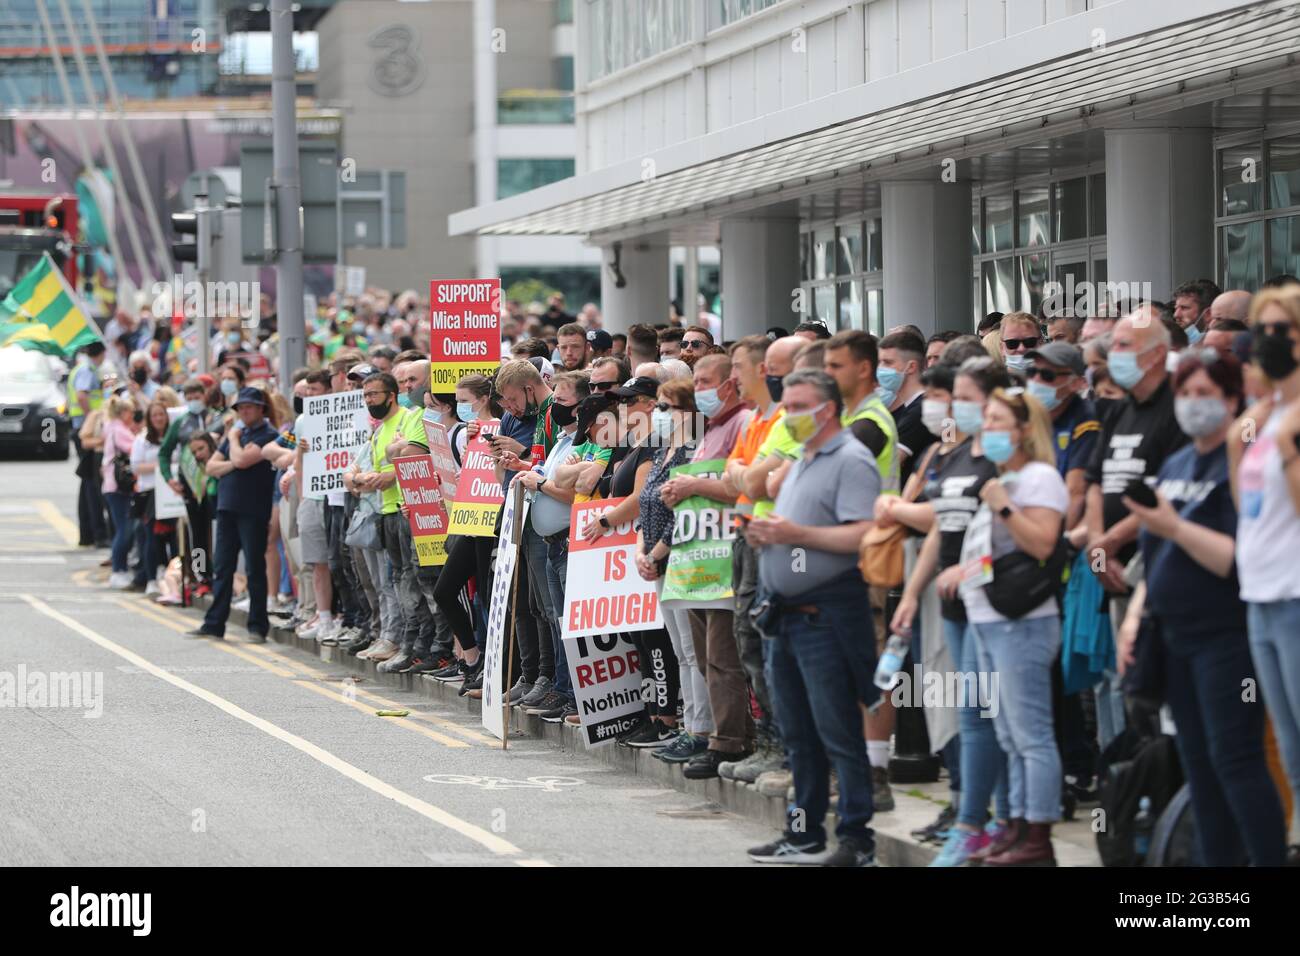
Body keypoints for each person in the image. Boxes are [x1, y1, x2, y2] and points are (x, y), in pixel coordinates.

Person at [1119, 349, 1285, 866]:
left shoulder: (1239, 465)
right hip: (1173, 635)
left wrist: (1175, 527)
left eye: (1206, 395)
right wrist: (1134, 613)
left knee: (1235, 761)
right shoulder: (1176, 462)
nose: (1193, 405)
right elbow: (1156, 551)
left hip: (1226, 636)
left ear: (1234, 400)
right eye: (1186, 394)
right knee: (1198, 766)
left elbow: (1233, 559)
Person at [746, 369, 880, 867]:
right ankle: (803, 834)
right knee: (797, 733)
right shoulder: (805, 457)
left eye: (798, 406)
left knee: (837, 731)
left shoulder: (851, 460)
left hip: (826, 615)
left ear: (826, 410)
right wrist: (772, 536)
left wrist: (794, 535)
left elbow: (862, 534)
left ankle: (856, 839)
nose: (788, 414)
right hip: (787, 616)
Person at [892, 356, 1014, 866]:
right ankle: (971, 814)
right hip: (950, 600)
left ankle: (1000, 821)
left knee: (1001, 717)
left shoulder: (1005, 457)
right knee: (967, 713)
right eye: (951, 397)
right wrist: (913, 593)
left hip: (998, 603)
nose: (951, 408)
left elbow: (1022, 533)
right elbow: (942, 527)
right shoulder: (951, 453)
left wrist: (896, 510)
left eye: (962, 397)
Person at [960, 387, 1068, 866]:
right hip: (987, 618)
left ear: (1025, 430)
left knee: (1031, 734)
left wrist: (1003, 505)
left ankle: (1038, 838)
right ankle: (1017, 825)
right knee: (1007, 734)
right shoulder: (1002, 477)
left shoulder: (1039, 478)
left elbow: (1044, 544)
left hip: (1021, 623)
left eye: (1000, 421)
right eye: (987, 422)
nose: (990, 431)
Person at [1084, 306, 1188, 748]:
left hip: (1152, 560)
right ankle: (1137, 782)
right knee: (1123, 680)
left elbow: (1169, 494)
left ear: (1157, 354)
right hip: (1111, 566)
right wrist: (1096, 543)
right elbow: (1094, 483)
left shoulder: (1176, 411)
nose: (1115, 356)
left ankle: (1164, 792)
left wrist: (1111, 539)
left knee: (1151, 683)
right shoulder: (1119, 410)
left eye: (1124, 346)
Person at [658, 353, 753, 778]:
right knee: (702, 656)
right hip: (699, 560)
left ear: (730, 383)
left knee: (722, 655)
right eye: (694, 383)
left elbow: (739, 486)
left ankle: (728, 741)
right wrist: (681, 492)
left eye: (706, 381)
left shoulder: (743, 423)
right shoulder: (711, 428)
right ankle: (724, 733)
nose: (699, 390)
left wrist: (693, 484)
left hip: (726, 558)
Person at [1230, 286, 1300, 861]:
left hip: (1296, 594)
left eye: (1286, 332)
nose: (1272, 344)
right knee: (1290, 753)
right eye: (1265, 332)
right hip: (1260, 592)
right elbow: (1244, 508)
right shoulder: (1260, 418)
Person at [721, 334, 804, 787]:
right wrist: (744, 476)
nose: (734, 376)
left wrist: (744, 476)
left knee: (762, 643)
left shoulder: (784, 419)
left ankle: (783, 748)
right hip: (747, 536)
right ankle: (772, 742)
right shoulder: (755, 418)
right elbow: (736, 474)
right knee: (747, 641)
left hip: (771, 542)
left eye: (738, 366)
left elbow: (751, 482)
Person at [634, 378, 708, 756]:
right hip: (658, 562)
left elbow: (684, 515)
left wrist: (656, 552)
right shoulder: (664, 449)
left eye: (665, 407)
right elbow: (646, 503)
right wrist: (640, 550)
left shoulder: (692, 452)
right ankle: (689, 727)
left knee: (694, 651)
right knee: (681, 650)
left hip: (682, 559)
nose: (657, 414)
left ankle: (699, 729)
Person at [512, 370, 589, 722]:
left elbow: (573, 495)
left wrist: (539, 484)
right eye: (554, 399)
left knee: (566, 624)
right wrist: (525, 470)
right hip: (550, 542)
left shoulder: (582, 445)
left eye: (562, 401)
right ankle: (561, 688)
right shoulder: (562, 441)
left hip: (568, 541)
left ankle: (572, 694)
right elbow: (544, 474)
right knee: (555, 620)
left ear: (580, 406)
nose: (554, 407)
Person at [188, 387, 280, 641]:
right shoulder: (238, 434)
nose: (244, 411)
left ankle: (257, 626)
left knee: (254, 568)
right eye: (241, 407)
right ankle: (214, 622)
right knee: (222, 567)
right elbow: (211, 466)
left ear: (261, 408)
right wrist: (233, 454)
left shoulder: (267, 434)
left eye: (249, 406)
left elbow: (242, 460)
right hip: (227, 507)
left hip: (252, 510)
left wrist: (234, 440)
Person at [1024, 341, 1099, 530]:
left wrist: (1057, 545)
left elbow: (1076, 493)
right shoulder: (1027, 417)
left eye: (1047, 375)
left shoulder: (1086, 421)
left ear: (1076, 383)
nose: (1036, 381)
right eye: (1032, 373)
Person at [878, 329, 934, 485]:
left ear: (911, 367)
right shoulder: (910, 407)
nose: (881, 369)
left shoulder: (919, 409)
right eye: (880, 362)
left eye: (888, 362)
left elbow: (890, 462)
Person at [70, 341, 111, 548]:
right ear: (102, 352)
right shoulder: (87, 370)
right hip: (86, 430)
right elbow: (81, 395)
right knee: (91, 484)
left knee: (87, 482)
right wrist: (92, 419)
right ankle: (94, 532)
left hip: (82, 428)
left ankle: (88, 533)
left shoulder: (83, 368)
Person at [128, 401, 171, 593]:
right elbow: (136, 466)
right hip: (150, 494)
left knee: (175, 538)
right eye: (154, 415)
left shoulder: (173, 436)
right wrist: (162, 466)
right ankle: (151, 579)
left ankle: (174, 579)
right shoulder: (142, 439)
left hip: (172, 493)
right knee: (151, 538)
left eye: (161, 414)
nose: (159, 419)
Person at [101, 395, 141, 589]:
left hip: (111, 486)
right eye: (131, 412)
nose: (133, 416)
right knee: (125, 530)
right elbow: (135, 449)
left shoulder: (111, 427)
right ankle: (119, 570)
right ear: (123, 413)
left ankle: (120, 569)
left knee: (123, 529)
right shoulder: (119, 429)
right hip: (118, 487)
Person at [1171, 278, 1221, 347]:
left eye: (1184, 308)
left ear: (1208, 313)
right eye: (1176, 308)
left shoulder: (1219, 349)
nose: (1176, 315)